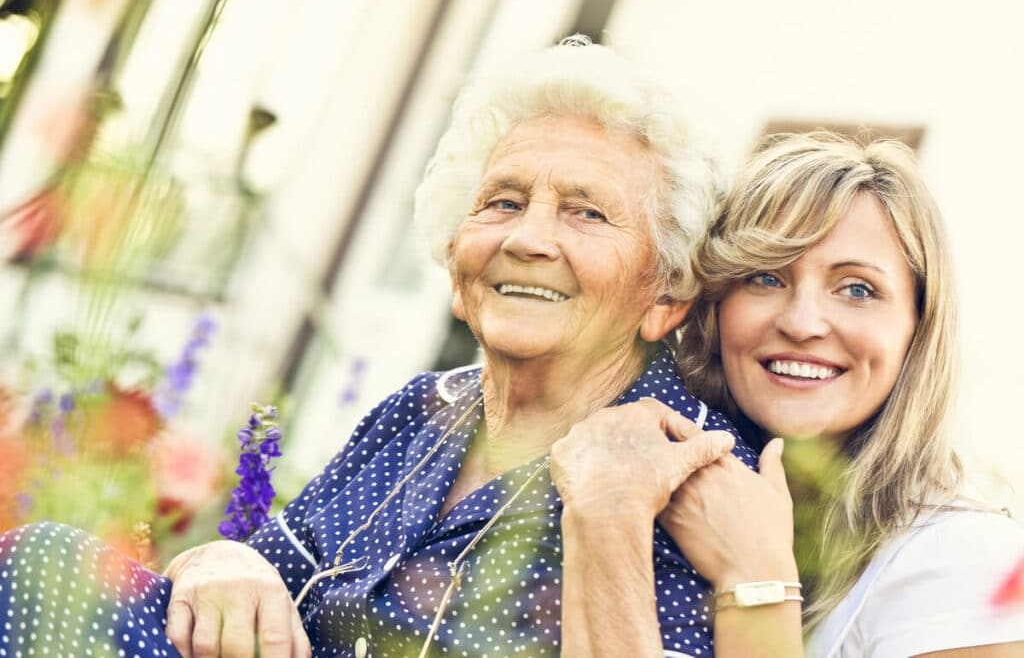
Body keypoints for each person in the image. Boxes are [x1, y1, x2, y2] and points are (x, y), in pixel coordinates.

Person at [0, 37, 760, 657]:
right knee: (47, 565)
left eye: (587, 213)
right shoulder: (418, 411)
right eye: (503, 202)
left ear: (665, 296)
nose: (528, 238)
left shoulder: (691, 471)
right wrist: (217, 559)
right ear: (458, 268)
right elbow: (261, 577)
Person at [654, 131, 1024, 656]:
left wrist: (756, 579)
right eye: (765, 277)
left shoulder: (960, 562)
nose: (802, 323)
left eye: (856, 289)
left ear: (918, 326)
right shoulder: (661, 505)